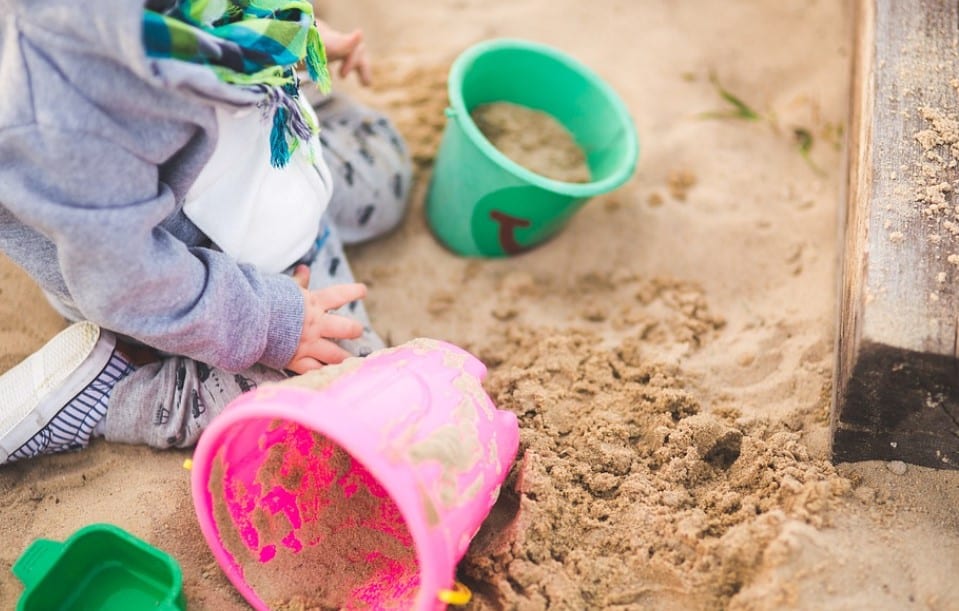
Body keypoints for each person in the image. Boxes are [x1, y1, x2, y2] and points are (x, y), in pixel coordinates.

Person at [0, 0, 412, 464]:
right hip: (197, 281)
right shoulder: (60, 106)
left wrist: (291, 41)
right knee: (348, 384)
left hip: (260, 167)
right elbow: (127, 283)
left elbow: (219, 15)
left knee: (388, 172)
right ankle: (117, 388)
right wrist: (272, 324)